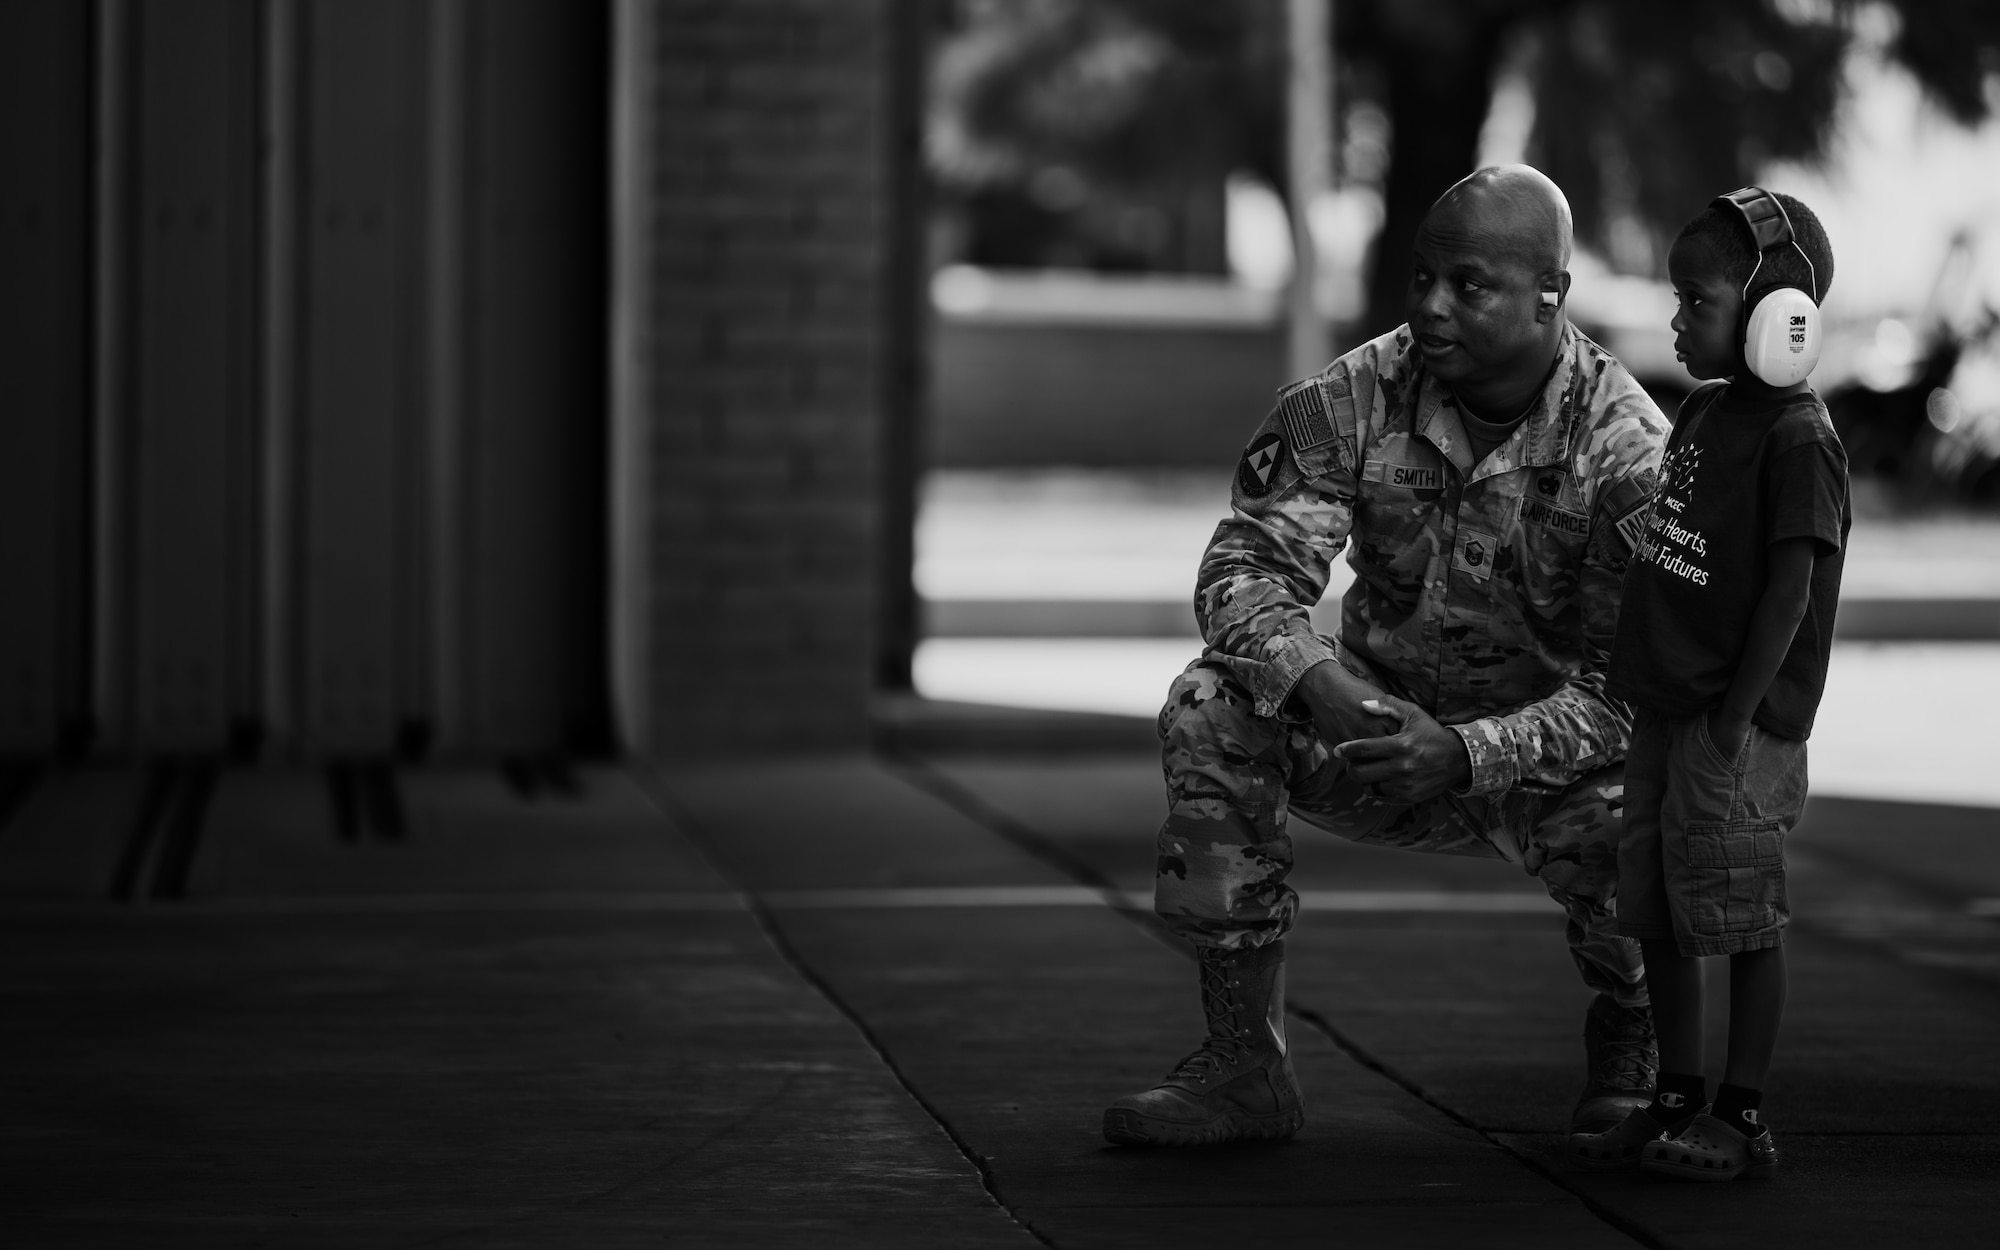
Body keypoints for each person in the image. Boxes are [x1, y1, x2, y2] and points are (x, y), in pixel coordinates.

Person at [1102, 165, 1672, 1148]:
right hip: (1371, 731)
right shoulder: (1355, 395)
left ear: (1551, 293)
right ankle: (1243, 1065)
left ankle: (1636, 1032)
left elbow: (1634, 690)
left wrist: (1468, 752)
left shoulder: (1626, 451)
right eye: (1419, 278)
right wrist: (1322, 687)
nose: (1430, 307)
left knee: (1661, 790)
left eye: (1468, 284)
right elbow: (1244, 570)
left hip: (1543, 761)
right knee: (1211, 703)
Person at [1567, 188, 1847, 1181]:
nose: (1675, 320)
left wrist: (1734, 717)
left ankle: (1741, 1113)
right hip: (1665, 706)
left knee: (1737, 915)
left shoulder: (1796, 438)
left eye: (1697, 301)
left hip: (1733, 726)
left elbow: (1788, 587)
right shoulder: (1701, 409)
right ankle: (1673, 1095)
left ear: (1779, 313)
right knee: (1658, 911)